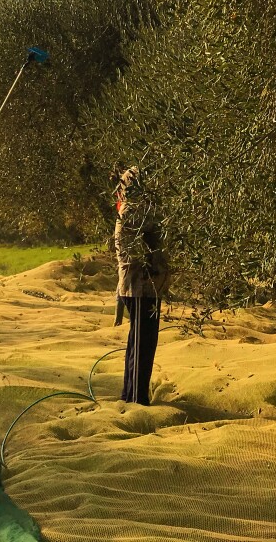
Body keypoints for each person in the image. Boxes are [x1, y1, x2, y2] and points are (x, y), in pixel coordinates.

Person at [115, 166, 168, 405]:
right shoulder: (133, 211)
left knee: (141, 343)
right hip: (139, 287)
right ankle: (136, 400)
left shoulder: (135, 209)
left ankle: (131, 395)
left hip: (144, 287)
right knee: (141, 345)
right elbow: (140, 246)